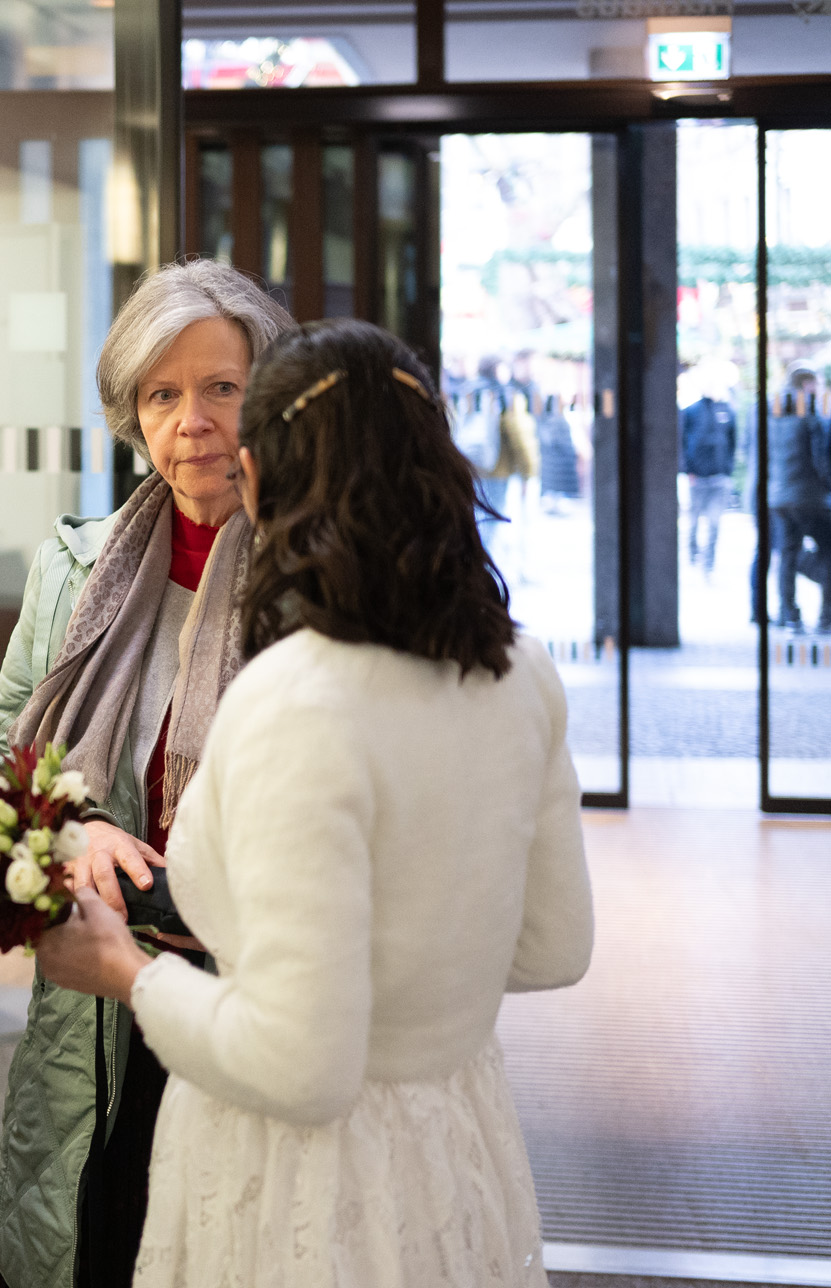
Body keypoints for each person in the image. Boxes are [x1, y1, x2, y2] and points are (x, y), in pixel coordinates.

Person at [36, 318, 595, 1287]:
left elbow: (302, 1066)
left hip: (299, 1172)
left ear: (259, 479)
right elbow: (554, 947)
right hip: (453, 1143)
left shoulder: (294, 701)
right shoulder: (519, 672)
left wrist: (123, 970)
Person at [0, 260, 293, 1288]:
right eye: (161, 394)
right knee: (95, 1246)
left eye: (221, 388)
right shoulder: (76, 567)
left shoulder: (322, 577)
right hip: (97, 1017)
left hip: (260, 1006)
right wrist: (71, 830)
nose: (190, 421)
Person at [767, 367, 831, 630]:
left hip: (780, 497)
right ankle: (827, 616)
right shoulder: (811, 418)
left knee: (788, 555)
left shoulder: (774, 416)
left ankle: (789, 614)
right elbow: (821, 461)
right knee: (827, 551)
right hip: (811, 498)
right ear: (807, 385)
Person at [680, 379, 738, 576]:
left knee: (714, 523)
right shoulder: (691, 411)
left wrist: (727, 470)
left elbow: (732, 441)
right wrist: (688, 470)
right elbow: (682, 441)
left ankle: (708, 562)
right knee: (693, 521)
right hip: (697, 477)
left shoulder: (727, 411)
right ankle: (693, 554)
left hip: (719, 476)